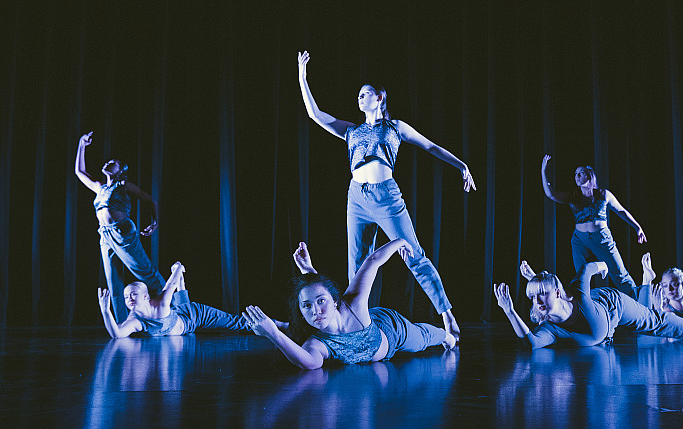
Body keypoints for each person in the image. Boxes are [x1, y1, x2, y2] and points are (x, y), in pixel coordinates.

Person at [297, 50, 475, 337]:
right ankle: (353, 325)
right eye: (358, 94)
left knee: (413, 254)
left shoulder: (395, 127)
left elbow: (430, 146)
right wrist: (303, 78)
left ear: (380, 98)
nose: (360, 97)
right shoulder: (351, 130)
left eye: (365, 93)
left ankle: (447, 316)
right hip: (356, 197)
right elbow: (315, 115)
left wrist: (462, 165)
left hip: (386, 197)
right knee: (357, 265)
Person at [243, 237, 457, 369]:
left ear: (334, 302)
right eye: (306, 306)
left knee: (423, 339)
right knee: (294, 324)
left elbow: (373, 262)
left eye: (321, 302)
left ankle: (447, 336)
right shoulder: (316, 343)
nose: (315, 311)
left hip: (391, 331)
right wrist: (273, 333)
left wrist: (400, 241)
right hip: (365, 332)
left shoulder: (352, 303)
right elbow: (309, 363)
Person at [493, 260, 683, 348]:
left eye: (541, 294)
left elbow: (587, 270)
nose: (537, 302)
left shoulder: (576, 291)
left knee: (653, 320)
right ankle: (646, 283)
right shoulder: (549, 329)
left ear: (556, 291)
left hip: (612, 304)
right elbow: (531, 343)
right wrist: (510, 311)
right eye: (533, 297)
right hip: (599, 325)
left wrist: (603, 265)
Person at [75, 131, 165, 321]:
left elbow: (151, 200)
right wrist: (81, 145)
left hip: (122, 233)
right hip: (105, 236)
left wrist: (155, 221)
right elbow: (80, 172)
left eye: (112, 162)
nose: (107, 163)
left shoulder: (123, 185)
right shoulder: (99, 187)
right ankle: (123, 323)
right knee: (113, 281)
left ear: (120, 171)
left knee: (145, 271)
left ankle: (172, 307)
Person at [540, 154, 647, 300]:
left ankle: (640, 305)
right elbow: (550, 194)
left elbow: (621, 210)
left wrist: (637, 227)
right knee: (581, 276)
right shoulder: (574, 196)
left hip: (601, 238)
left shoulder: (604, 194)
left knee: (620, 274)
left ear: (589, 176)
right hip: (579, 239)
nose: (577, 176)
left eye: (580, 173)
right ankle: (583, 308)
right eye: (575, 174)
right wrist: (543, 170)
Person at [98, 261, 252, 338]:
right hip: (177, 312)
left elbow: (170, 285)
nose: (129, 299)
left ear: (145, 296)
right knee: (178, 306)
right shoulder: (135, 320)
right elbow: (117, 334)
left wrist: (178, 269)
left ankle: (274, 324)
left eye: (133, 294)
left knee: (235, 323)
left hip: (194, 315)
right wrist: (105, 311)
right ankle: (182, 283)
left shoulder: (160, 304)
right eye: (126, 296)